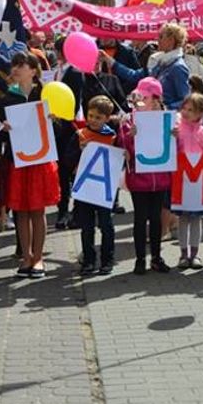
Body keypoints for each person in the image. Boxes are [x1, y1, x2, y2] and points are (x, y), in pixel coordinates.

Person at [0, 51, 60, 279]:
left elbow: (63, 124)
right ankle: (26, 257)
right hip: (18, 160)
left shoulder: (46, 94)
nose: (16, 69)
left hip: (40, 161)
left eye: (22, 65)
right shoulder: (7, 98)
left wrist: (53, 120)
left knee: (38, 211)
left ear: (33, 69)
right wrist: (2, 128)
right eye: (15, 65)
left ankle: (38, 258)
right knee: (21, 210)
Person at [117, 78, 173, 274]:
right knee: (140, 218)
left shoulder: (167, 119)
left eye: (145, 97)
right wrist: (130, 137)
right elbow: (124, 148)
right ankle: (140, 259)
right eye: (138, 98)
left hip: (160, 177)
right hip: (139, 179)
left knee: (156, 219)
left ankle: (156, 257)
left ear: (156, 99)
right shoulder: (129, 120)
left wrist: (174, 135)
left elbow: (174, 146)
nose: (140, 101)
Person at [73, 95, 118, 276]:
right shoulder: (80, 135)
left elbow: (118, 159)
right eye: (90, 116)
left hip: (104, 188)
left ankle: (107, 260)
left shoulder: (113, 137)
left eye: (98, 117)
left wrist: (126, 156)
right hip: (85, 188)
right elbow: (68, 159)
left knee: (106, 224)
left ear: (107, 118)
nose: (93, 120)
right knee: (87, 226)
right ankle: (89, 260)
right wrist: (79, 151)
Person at [103, 23, 191, 109]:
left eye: (161, 37)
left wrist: (164, 108)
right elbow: (134, 75)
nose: (157, 39)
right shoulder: (157, 62)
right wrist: (111, 61)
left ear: (171, 40)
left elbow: (185, 100)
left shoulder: (178, 67)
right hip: (149, 115)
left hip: (166, 119)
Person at [173, 92, 203, 270]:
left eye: (191, 110)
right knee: (183, 219)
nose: (186, 113)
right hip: (182, 181)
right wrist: (172, 138)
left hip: (197, 182)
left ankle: (195, 254)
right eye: (185, 109)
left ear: (200, 113)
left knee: (196, 219)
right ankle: (183, 254)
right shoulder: (177, 130)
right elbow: (171, 152)